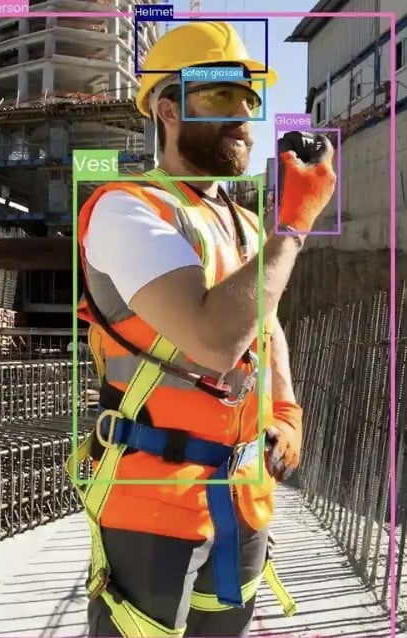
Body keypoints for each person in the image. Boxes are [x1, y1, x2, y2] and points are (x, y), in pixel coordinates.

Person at [65, 20, 337, 638]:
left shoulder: (243, 223)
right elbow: (214, 341)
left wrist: (287, 411)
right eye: (219, 97)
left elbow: (263, 327)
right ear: (167, 108)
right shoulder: (126, 209)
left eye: (248, 99)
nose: (241, 116)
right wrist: (292, 227)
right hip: (152, 495)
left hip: (241, 491)